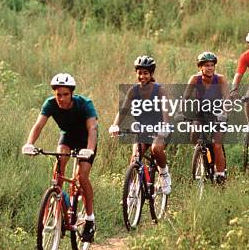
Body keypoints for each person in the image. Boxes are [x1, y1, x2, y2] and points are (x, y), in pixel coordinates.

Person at [22, 73, 98, 242]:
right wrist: (29, 143)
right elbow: (38, 125)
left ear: (72, 94)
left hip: (86, 140)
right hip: (68, 137)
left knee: (82, 177)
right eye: (58, 94)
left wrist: (90, 150)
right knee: (58, 169)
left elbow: (92, 128)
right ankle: (59, 204)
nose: (61, 98)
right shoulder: (50, 104)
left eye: (65, 94)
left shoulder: (85, 104)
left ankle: (90, 219)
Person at [109, 56, 172, 195]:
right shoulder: (133, 91)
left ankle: (164, 173)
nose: (142, 76)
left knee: (156, 149)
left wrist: (165, 127)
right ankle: (132, 189)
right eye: (139, 73)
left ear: (151, 74)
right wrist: (115, 125)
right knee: (135, 157)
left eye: (145, 73)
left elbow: (166, 111)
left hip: (160, 128)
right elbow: (123, 111)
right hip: (143, 129)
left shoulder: (160, 90)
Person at [183, 51, 229, 183]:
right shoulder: (195, 79)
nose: (210, 68)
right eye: (206, 65)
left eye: (212, 65)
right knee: (194, 135)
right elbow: (185, 97)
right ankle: (200, 154)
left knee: (216, 145)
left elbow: (227, 99)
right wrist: (180, 112)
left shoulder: (220, 79)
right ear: (200, 67)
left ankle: (220, 175)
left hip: (218, 114)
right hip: (201, 114)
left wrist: (224, 113)